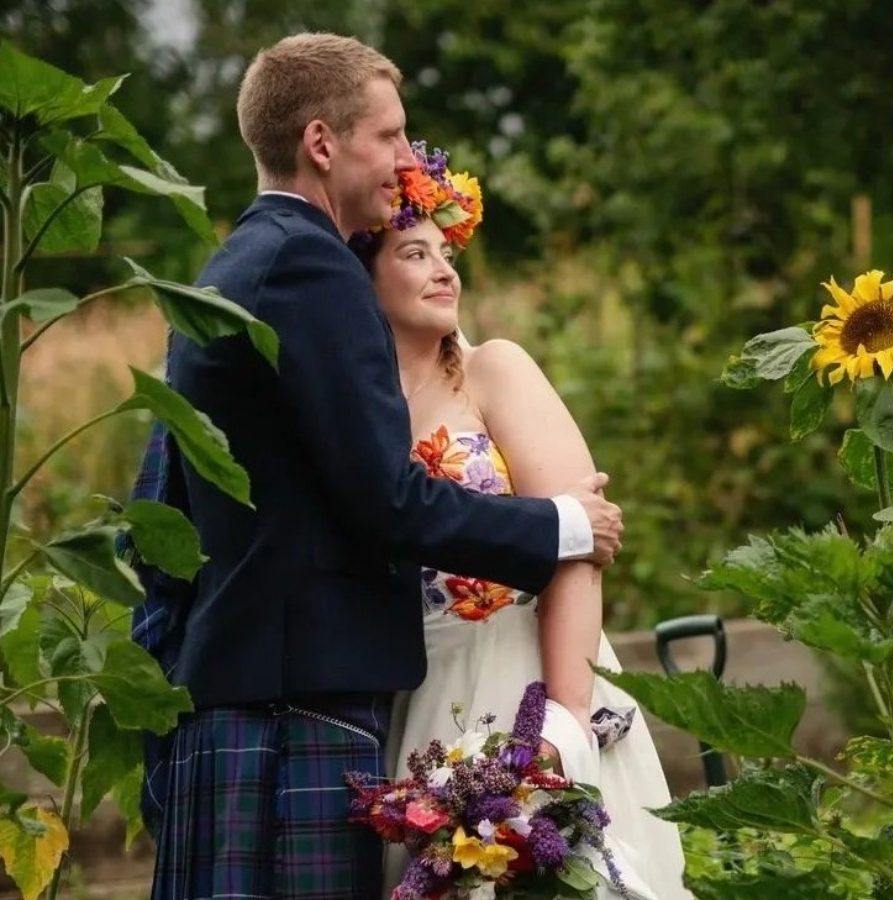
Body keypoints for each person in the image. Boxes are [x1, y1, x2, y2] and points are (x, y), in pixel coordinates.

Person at [133, 34, 624, 900]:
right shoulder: (311, 265)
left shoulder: (225, 272)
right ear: (323, 144)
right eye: (390, 137)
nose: (407, 160)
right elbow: (385, 500)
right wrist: (565, 523)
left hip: (237, 698)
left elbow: (157, 511)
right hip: (294, 710)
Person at [350, 145, 689, 899]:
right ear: (363, 276)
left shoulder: (495, 370)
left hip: (534, 665)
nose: (446, 270)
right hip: (423, 699)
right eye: (415, 252)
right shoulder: (354, 414)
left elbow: (578, 546)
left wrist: (565, 720)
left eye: (448, 252)